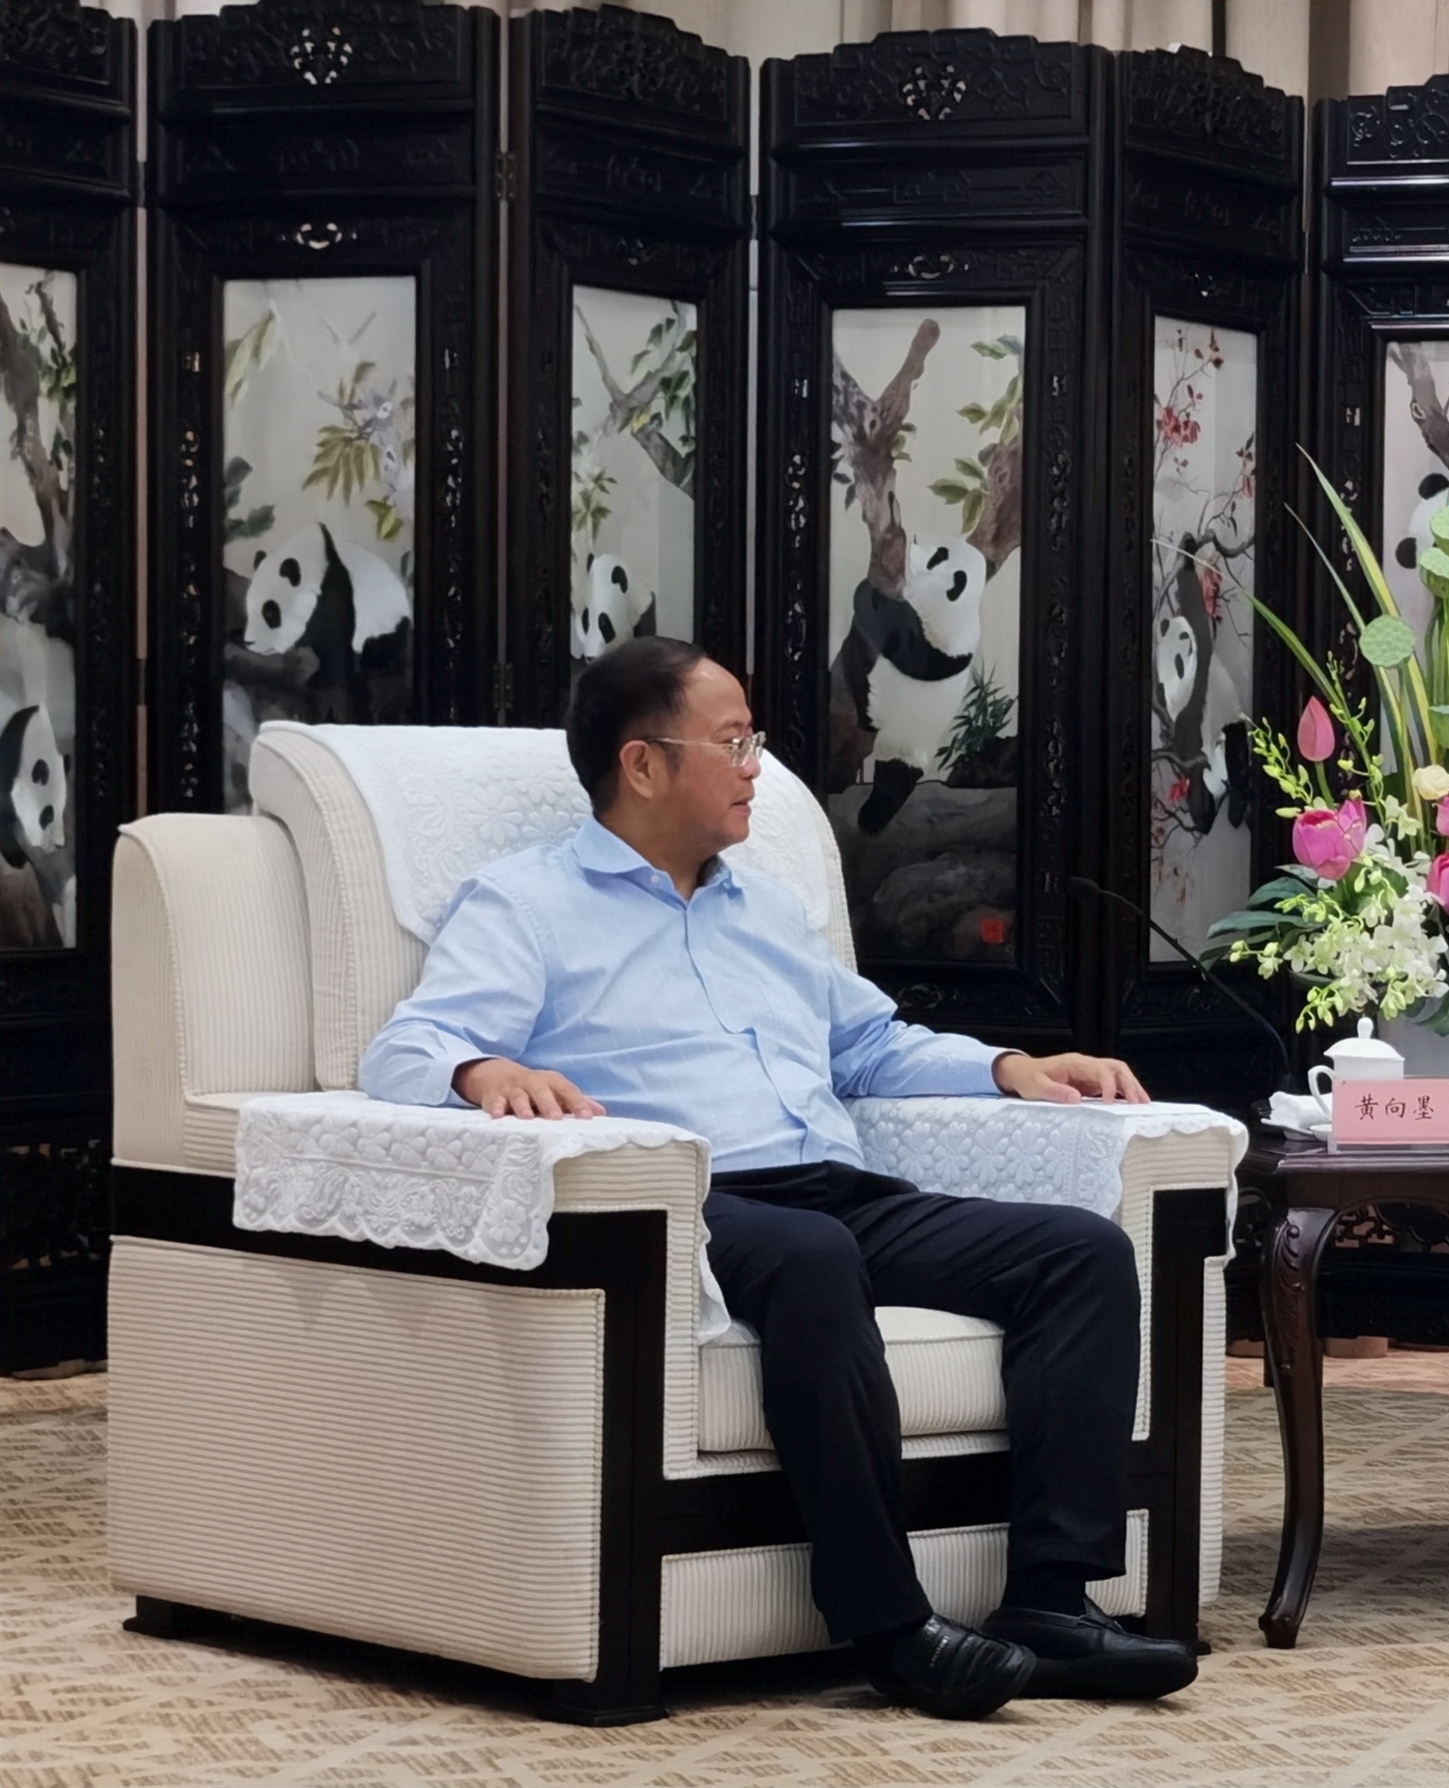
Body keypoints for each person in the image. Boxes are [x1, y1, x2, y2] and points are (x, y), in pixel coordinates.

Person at [359, 637, 1194, 1719]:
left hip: (832, 1189)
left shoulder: (766, 909)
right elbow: (405, 1050)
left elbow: (871, 1046)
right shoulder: (527, 905)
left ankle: (1049, 1601)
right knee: (813, 1257)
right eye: (734, 740)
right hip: (692, 1204)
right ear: (643, 763)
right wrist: (484, 1071)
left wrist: (1009, 1067)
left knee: (1077, 1252)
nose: (757, 764)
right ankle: (889, 1627)